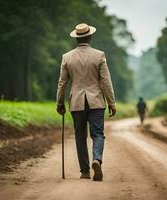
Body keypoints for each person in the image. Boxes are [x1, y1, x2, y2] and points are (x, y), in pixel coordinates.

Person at [56, 23, 116, 181]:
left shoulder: (66, 57)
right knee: (97, 134)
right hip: (96, 102)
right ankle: (97, 159)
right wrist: (112, 103)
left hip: (76, 103)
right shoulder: (99, 55)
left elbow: (62, 83)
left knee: (80, 136)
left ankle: (85, 171)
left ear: (76, 38)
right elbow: (106, 81)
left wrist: (60, 103)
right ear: (90, 37)